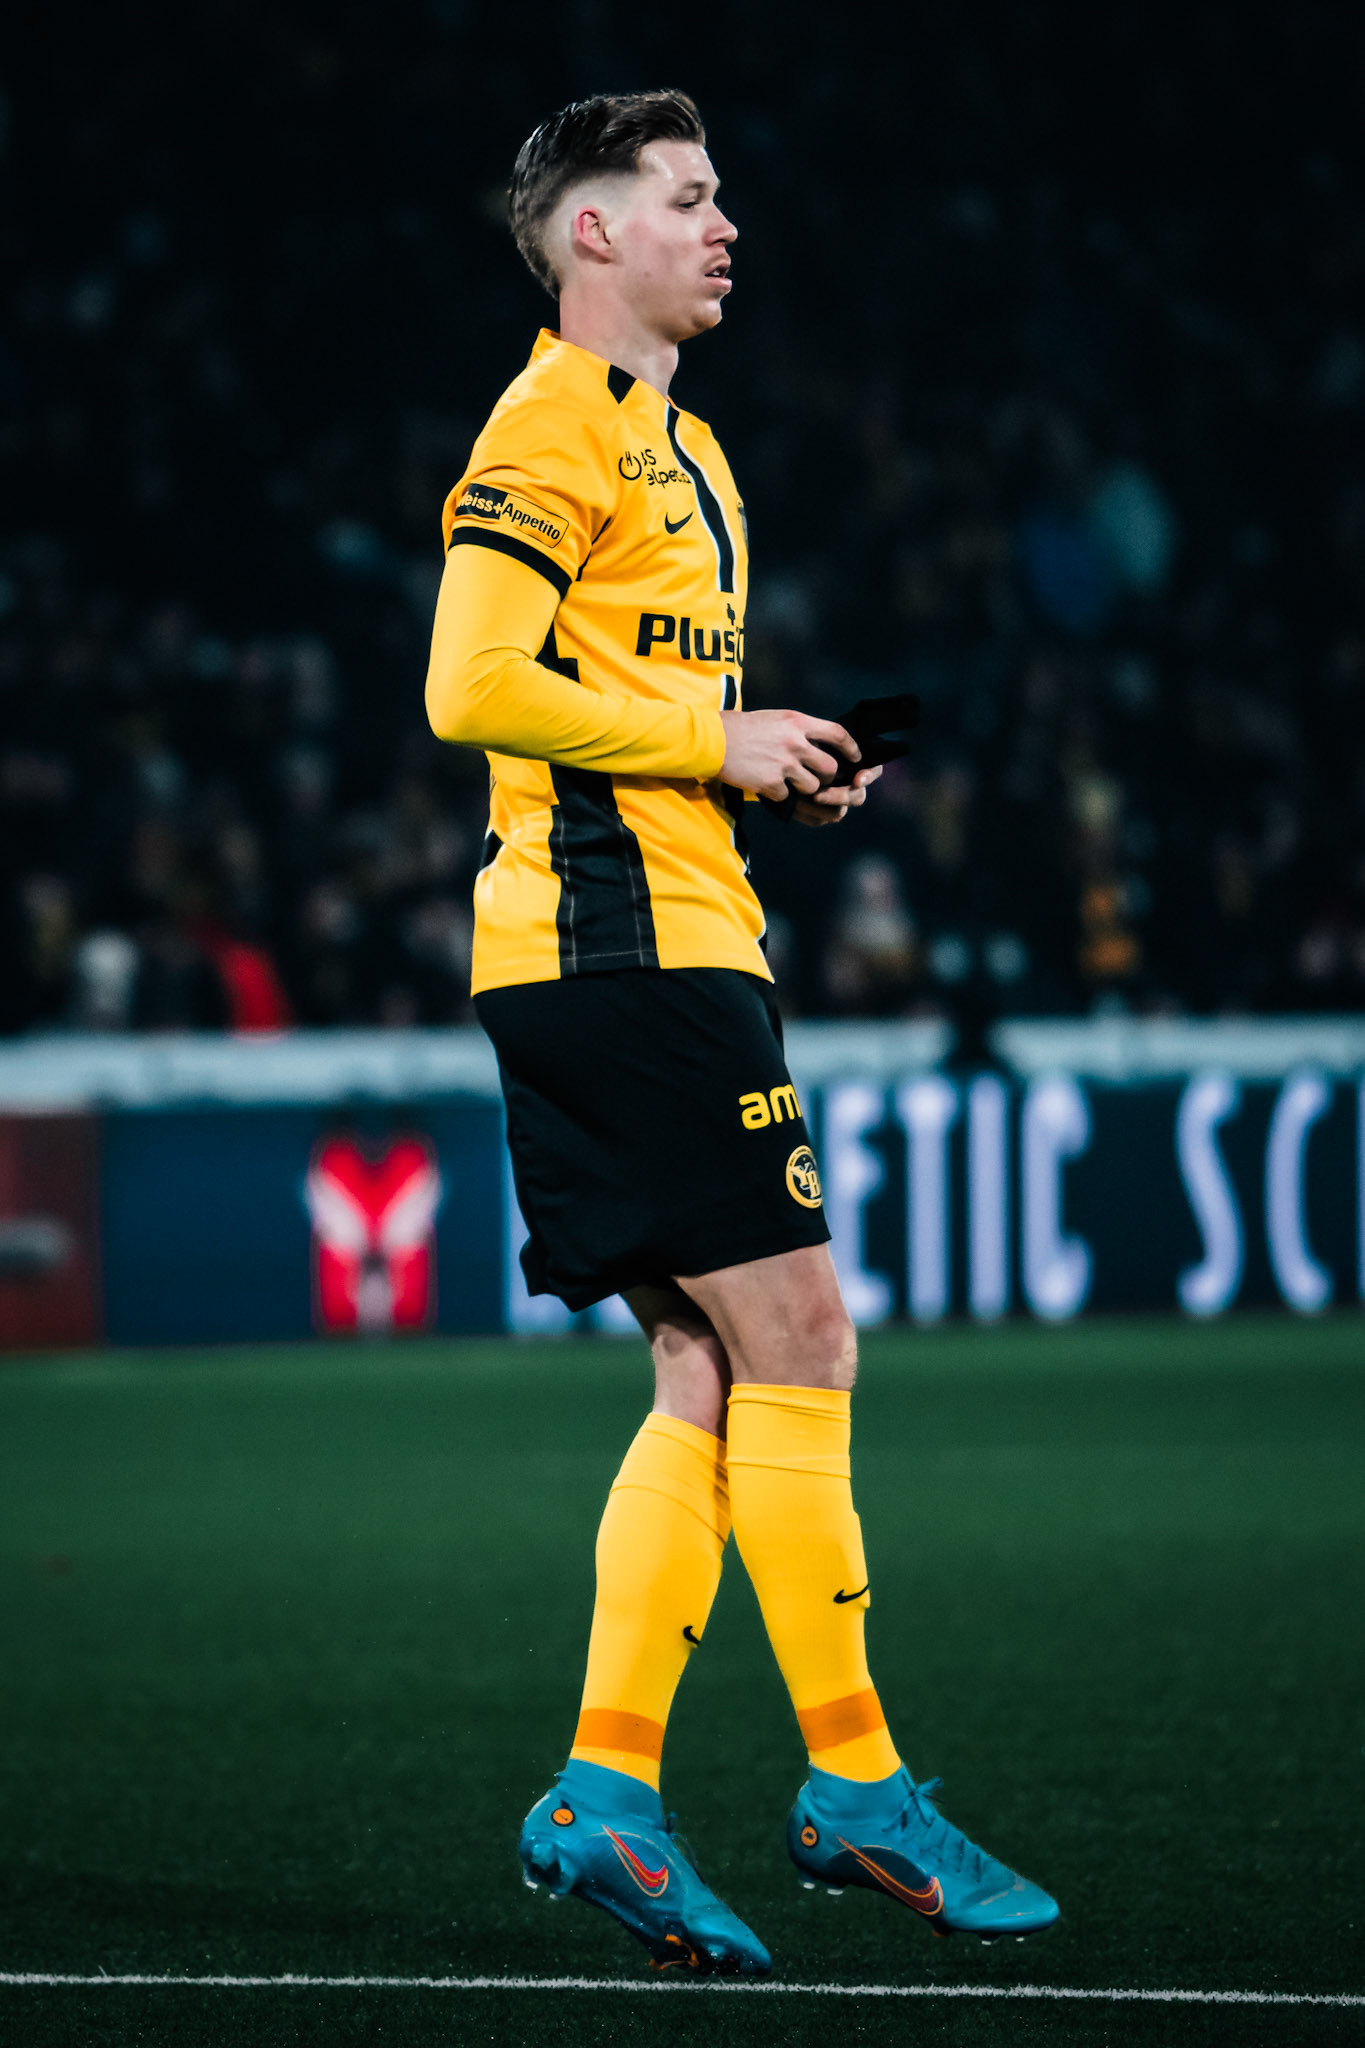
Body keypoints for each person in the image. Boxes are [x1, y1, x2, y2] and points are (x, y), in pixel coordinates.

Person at [424, 89, 1058, 1976]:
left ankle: (607, 1794)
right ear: (586, 236)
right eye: (685, 199)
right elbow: (469, 680)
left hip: (668, 931)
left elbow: (627, 697)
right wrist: (714, 744)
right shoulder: (547, 422)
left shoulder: (687, 449)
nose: (723, 227)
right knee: (804, 1333)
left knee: (705, 1367)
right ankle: (854, 1787)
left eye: (721, 199)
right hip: (615, 951)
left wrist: (765, 758)